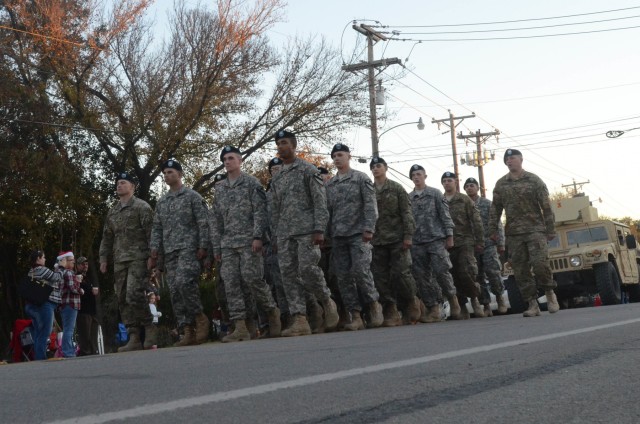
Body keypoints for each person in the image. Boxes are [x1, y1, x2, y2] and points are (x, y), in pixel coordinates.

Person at [270, 129, 339, 336]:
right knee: (288, 275)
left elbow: (320, 202)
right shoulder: (278, 176)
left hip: (307, 231)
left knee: (308, 269)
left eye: (284, 143)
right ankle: (299, 319)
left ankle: (327, 301)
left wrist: (319, 229)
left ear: (293, 145)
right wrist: (275, 234)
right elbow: (274, 208)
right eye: (278, 144)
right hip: (284, 233)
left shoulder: (308, 170)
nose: (281, 147)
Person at [210, 146, 281, 342]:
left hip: (249, 241)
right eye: (224, 159)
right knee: (231, 283)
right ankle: (240, 325)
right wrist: (217, 247)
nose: (227, 161)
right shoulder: (220, 188)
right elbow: (215, 220)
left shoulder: (251, 183)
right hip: (228, 244)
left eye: (231, 158)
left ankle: (272, 312)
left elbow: (260, 211)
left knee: (252, 279)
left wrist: (258, 237)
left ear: (240, 161)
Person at [489, 149, 559, 317]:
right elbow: (495, 209)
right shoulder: (501, 184)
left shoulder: (534, 180)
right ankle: (532, 303)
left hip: (535, 230)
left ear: (521, 159)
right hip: (514, 233)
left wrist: (550, 229)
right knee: (520, 270)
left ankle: (550, 293)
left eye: (512, 157)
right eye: (507, 158)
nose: (509, 160)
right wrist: (492, 230)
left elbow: (546, 206)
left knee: (540, 263)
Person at [149, 159, 211, 344]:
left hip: (189, 249)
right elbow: (157, 228)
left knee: (185, 283)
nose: (167, 176)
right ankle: (187, 330)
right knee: (175, 291)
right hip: (170, 252)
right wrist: (155, 250)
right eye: (165, 173)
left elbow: (203, 223)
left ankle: (200, 319)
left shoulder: (192, 196)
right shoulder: (162, 202)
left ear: (180, 174)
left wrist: (203, 246)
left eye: (170, 172)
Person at [326, 143, 383, 330]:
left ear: (349, 156)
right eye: (334, 155)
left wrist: (369, 228)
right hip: (339, 236)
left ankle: (373, 305)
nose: (337, 158)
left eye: (340, 154)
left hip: (359, 234)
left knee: (360, 271)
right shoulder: (331, 185)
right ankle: (355, 314)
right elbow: (328, 211)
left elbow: (370, 204)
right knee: (343, 277)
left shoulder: (360, 178)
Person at [99, 172, 157, 352]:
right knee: (122, 297)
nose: (119, 186)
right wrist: (103, 257)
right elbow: (107, 236)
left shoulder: (142, 207)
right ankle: (133, 336)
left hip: (139, 258)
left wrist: (153, 257)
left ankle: (148, 328)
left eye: (123, 183)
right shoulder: (113, 211)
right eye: (117, 183)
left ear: (132, 186)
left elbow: (151, 233)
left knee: (134, 293)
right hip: (120, 260)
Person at [369, 156, 421, 327]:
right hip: (377, 240)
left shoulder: (396, 188)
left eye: (378, 166)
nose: (376, 169)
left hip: (397, 238)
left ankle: (411, 301)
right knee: (380, 277)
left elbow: (406, 212)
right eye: (373, 167)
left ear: (385, 168)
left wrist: (408, 235)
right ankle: (390, 309)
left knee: (401, 274)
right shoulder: (369, 189)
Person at [408, 165, 460, 322]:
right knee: (422, 277)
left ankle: (453, 300)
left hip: (436, 239)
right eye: (414, 175)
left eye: (419, 174)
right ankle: (434, 308)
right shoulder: (409, 198)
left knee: (441, 271)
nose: (416, 177)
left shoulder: (435, 193)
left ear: (425, 176)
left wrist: (449, 235)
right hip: (417, 242)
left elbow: (445, 215)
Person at [441, 172, 485, 319]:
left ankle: (474, 299)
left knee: (466, 271)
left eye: (450, 180)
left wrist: (479, 241)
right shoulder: (439, 200)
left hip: (465, 241)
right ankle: (462, 305)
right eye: (445, 181)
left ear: (455, 182)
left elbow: (476, 220)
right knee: (453, 276)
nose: (447, 183)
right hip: (446, 244)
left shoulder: (464, 200)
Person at [463, 177, 508, 316]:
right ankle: (486, 304)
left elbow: (497, 223)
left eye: (472, 185)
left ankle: (500, 298)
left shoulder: (487, 204)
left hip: (488, 244)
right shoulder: (463, 204)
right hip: (472, 246)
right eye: (467, 186)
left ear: (478, 188)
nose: (470, 188)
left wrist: (501, 243)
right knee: (477, 276)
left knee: (493, 272)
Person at [24, 250, 63, 360]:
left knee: (38, 332)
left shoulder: (32, 271)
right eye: (44, 257)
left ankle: (38, 357)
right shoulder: (41, 270)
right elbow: (57, 277)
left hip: (32, 306)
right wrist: (61, 267)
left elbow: (51, 277)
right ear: (38, 259)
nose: (45, 259)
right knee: (45, 331)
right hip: (45, 305)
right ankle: (41, 357)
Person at [58, 251, 83, 357]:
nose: (73, 263)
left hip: (64, 304)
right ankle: (68, 352)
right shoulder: (68, 272)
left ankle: (68, 350)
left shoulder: (60, 272)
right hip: (70, 303)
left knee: (67, 328)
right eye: (72, 260)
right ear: (65, 261)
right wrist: (81, 289)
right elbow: (73, 288)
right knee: (69, 329)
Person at [75, 257, 99, 356]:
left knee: (93, 333)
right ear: (77, 265)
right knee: (85, 334)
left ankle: (93, 351)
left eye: (87, 264)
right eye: (82, 264)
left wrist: (94, 291)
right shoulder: (76, 277)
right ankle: (85, 353)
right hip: (83, 310)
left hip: (92, 310)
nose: (85, 266)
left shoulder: (88, 277)